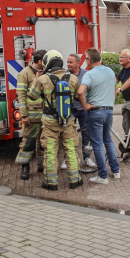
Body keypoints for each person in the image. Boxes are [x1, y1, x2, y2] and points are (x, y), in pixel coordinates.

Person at [27, 50, 83, 191]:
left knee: (50, 151)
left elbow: (32, 96)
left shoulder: (43, 79)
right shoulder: (73, 78)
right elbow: (77, 97)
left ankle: (51, 182)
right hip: (68, 121)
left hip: (50, 122)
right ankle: (75, 180)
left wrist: (36, 78)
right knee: (71, 149)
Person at [77, 48, 120, 184]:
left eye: (85, 59)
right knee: (108, 140)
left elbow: (80, 92)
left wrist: (85, 106)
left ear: (89, 60)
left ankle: (103, 176)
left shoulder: (89, 75)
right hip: (108, 111)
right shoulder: (110, 71)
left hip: (95, 112)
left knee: (97, 144)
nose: (85, 61)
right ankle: (116, 171)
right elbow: (114, 91)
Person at [15, 50, 46, 180]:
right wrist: (24, 115)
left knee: (43, 143)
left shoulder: (46, 72)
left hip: (44, 115)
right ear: (39, 61)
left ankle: (41, 166)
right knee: (28, 142)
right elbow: (21, 96)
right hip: (31, 117)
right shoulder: (24, 74)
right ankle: (25, 167)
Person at [66, 53, 96, 170]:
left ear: (78, 63)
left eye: (71, 62)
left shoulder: (86, 74)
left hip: (83, 109)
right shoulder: (64, 75)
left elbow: (91, 90)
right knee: (68, 135)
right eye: (68, 62)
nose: (68, 64)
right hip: (70, 110)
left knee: (86, 134)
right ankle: (66, 158)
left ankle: (87, 157)